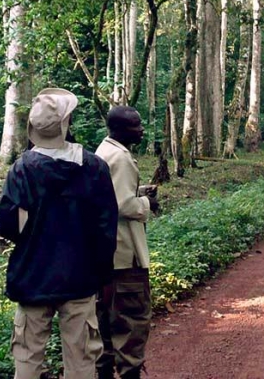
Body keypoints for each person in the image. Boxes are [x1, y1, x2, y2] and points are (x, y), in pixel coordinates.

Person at [0, 88, 119, 379]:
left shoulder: (22, 169)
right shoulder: (93, 168)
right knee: (81, 359)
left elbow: (7, 225)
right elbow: (106, 230)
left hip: (32, 276)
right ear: (66, 124)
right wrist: (104, 276)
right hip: (80, 278)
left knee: (27, 357)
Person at [95, 106, 160, 379]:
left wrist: (139, 191)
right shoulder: (120, 158)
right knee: (131, 327)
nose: (141, 130)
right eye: (136, 125)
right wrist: (148, 202)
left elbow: (111, 195)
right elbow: (121, 204)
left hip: (104, 258)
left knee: (104, 331)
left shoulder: (103, 152)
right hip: (125, 257)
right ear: (120, 129)